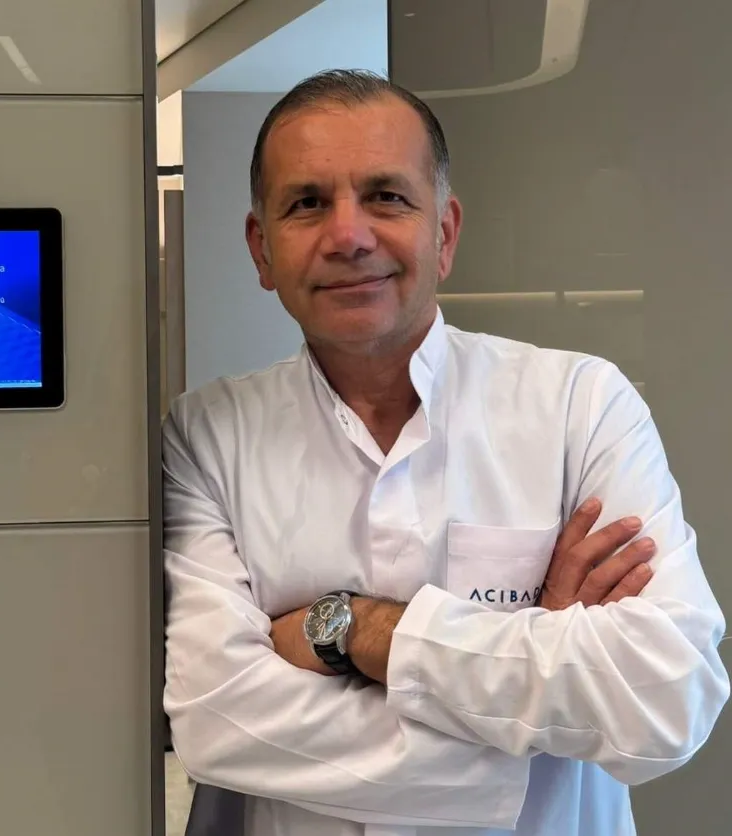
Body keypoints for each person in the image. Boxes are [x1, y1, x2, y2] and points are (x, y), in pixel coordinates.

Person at [162, 69, 729, 836]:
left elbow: (666, 699)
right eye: (307, 204)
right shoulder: (203, 435)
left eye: (387, 197)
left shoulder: (580, 406)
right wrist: (532, 711)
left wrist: (353, 628)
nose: (348, 235)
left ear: (445, 233)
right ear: (262, 250)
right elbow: (215, 717)